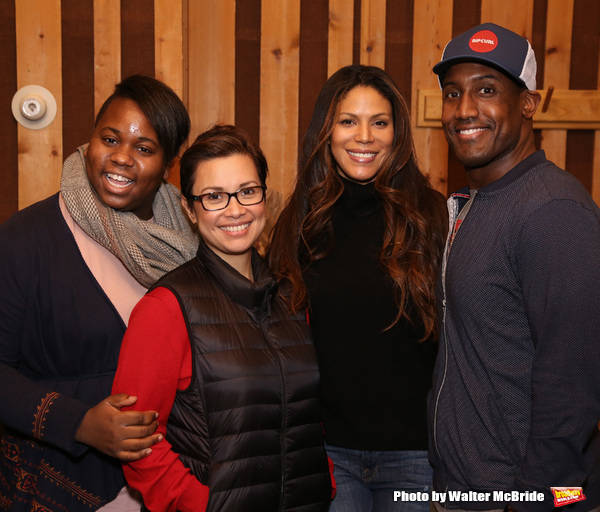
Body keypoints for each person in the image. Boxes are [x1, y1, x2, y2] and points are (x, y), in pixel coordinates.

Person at [0, 75, 198, 511]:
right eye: (110, 138)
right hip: (60, 483)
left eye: (144, 148)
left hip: (174, 480)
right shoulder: (25, 239)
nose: (121, 158)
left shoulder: (193, 242)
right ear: (90, 139)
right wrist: (79, 423)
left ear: (169, 164)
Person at [111, 124, 333, 512]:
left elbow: (308, 413)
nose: (235, 209)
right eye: (214, 196)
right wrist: (202, 504)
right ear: (189, 209)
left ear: (265, 196)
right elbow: (137, 443)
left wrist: (324, 478)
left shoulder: (291, 295)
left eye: (248, 191)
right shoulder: (165, 308)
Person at [428, 23, 600, 512]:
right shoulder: (479, 203)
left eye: (487, 90)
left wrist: (529, 501)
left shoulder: (553, 211)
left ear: (529, 103)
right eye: (453, 92)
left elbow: (574, 381)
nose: (464, 109)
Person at [268, 65, 448, 512]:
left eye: (379, 122)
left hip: (415, 454)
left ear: (397, 133)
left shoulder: (433, 218)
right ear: (326, 132)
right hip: (329, 453)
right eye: (348, 121)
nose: (364, 136)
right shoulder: (299, 222)